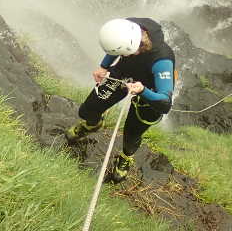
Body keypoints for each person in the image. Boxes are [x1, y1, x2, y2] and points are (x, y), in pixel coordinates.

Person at [65, 18, 175, 182]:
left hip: (151, 89)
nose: (120, 55)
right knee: (88, 110)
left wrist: (143, 90)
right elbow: (114, 48)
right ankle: (93, 124)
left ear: (134, 46)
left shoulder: (162, 61)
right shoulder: (126, 28)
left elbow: (165, 103)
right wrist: (103, 66)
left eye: (123, 54)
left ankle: (125, 156)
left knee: (132, 132)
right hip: (124, 73)